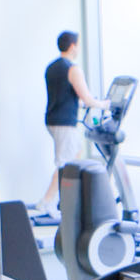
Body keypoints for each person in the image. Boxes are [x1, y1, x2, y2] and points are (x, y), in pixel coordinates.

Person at [40, 29, 96, 211]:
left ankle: (61, 199)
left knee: (75, 153)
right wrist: (106, 104)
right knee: (64, 164)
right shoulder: (72, 69)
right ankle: (46, 202)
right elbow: (87, 99)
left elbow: (64, 95)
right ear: (73, 46)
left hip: (52, 119)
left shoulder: (52, 67)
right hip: (65, 123)